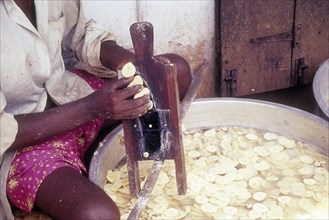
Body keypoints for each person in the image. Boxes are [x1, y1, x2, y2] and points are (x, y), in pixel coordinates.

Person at [0, 0, 191, 219]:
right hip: (22, 142)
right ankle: (73, 171)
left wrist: (127, 63)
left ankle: (90, 156)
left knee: (176, 72)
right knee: (98, 215)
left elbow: (79, 33)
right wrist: (93, 108)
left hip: (67, 94)